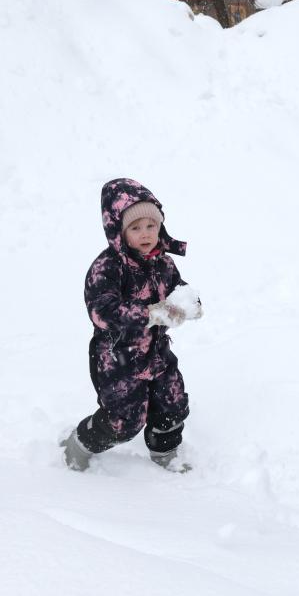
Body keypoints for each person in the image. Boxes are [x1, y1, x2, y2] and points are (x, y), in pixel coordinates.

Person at [61, 179, 202, 472]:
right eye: (135, 228)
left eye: (151, 226)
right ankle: (81, 442)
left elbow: (177, 289)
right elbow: (102, 311)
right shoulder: (108, 267)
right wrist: (150, 314)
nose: (146, 234)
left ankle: (166, 453)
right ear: (119, 232)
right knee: (123, 421)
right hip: (118, 358)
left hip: (157, 352)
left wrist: (189, 303)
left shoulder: (163, 263)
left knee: (172, 402)